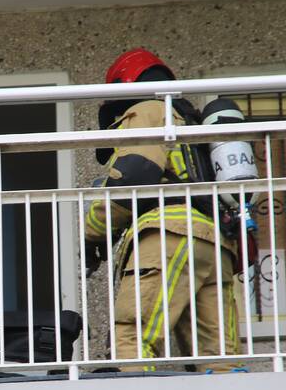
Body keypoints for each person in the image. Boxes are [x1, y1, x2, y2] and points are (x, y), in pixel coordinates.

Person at [85, 48, 242, 371]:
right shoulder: (192, 123)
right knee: (218, 358)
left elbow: (133, 176)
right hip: (215, 246)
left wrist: (92, 233)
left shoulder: (150, 109)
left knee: (133, 337)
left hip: (169, 238)